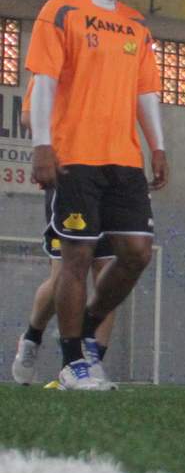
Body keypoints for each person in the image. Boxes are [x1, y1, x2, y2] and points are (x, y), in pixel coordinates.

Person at [28, 0, 167, 391]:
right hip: (74, 156)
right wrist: (42, 145)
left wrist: (157, 145)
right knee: (76, 258)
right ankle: (73, 362)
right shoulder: (61, 11)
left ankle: (85, 329)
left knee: (136, 254)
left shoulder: (136, 23)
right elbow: (44, 82)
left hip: (124, 160)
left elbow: (146, 91)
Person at [11, 77, 117, 386]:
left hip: (109, 176)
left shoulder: (114, 73)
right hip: (69, 173)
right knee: (64, 275)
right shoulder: (54, 68)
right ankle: (32, 336)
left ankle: (91, 361)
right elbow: (28, 116)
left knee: (108, 273)